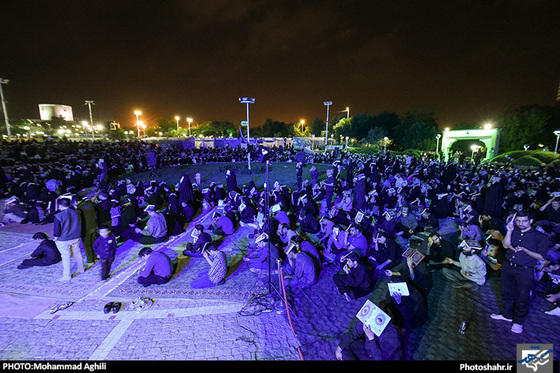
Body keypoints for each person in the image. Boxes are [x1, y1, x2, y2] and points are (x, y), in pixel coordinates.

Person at [490, 210, 549, 334]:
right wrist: (509, 231)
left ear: (531, 221)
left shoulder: (540, 236)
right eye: (519, 221)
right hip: (508, 266)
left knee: (523, 297)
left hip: (525, 270)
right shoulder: (514, 231)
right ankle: (507, 315)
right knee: (507, 293)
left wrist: (526, 251)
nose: (521, 223)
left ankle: (518, 322)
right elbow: (505, 245)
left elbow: (542, 257)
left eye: (524, 221)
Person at [335, 306, 403, 361]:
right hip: (367, 350)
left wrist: (371, 338)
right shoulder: (370, 316)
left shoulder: (392, 336)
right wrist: (339, 348)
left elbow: (380, 358)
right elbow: (354, 333)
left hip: (380, 356)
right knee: (345, 347)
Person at [53, 197, 85, 282]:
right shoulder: (77, 212)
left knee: (66, 257)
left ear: (60, 205)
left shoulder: (58, 216)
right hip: (76, 236)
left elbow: (57, 230)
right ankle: (82, 269)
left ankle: (67, 276)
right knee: (77, 253)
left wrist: (55, 238)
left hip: (63, 239)